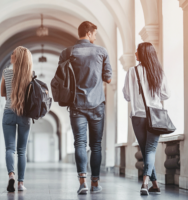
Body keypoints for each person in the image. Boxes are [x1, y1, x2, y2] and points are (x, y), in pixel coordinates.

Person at [58, 21, 112, 194]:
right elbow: (108, 78)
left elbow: (61, 78)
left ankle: (83, 183)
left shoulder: (67, 52)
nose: (95, 38)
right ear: (89, 33)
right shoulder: (101, 51)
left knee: (79, 143)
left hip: (76, 105)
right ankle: (95, 183)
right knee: (96, 145)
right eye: (94, 34)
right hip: (97, 105)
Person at [123, 42, 170, 195]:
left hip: (138, 116)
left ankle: (147, 183)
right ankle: (152, 183)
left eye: (137, 51)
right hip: (155, 116)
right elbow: (166, 95)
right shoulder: (159, 72)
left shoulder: (132, 72)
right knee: (148, 151)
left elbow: (127, 96)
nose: (135, 53)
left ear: (143, 54)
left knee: (146, 151)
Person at [0, 46, 32, 192]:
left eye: (12, 53)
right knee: (21, 151)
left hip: (8, 112)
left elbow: (2, 93)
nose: (11, 55)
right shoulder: (30, 75)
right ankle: (20, 183)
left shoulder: (6, 72)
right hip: (24, 114)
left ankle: (11, 175)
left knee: (9, 149)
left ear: (15, 58)